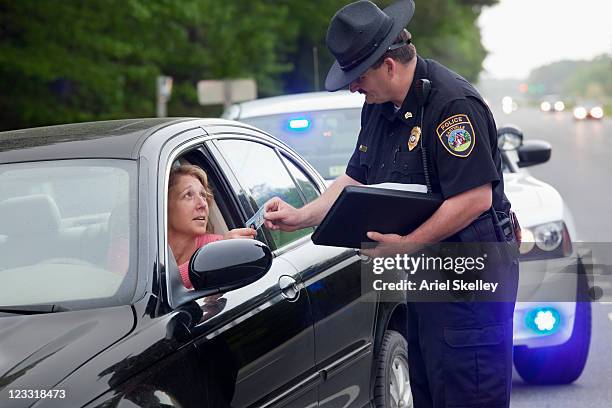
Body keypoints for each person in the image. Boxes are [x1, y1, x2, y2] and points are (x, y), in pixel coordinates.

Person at [263, 1, 519, 407]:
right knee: (431, 389)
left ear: (388, 64)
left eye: (357, 75)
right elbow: (356, 177)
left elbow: (474, 198)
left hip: (471, 281)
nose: (352, 86)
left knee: (468, 390)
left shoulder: (452, 106)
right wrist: (302, 216)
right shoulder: (379, 107)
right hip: (426, 278)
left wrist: (406, 245)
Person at [168, 164, 256, 289]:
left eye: (203, 195)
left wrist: (213, 256)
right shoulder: (136, 251)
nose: (202, 204)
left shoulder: (219, 247)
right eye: (188, 195)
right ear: (164, 205)